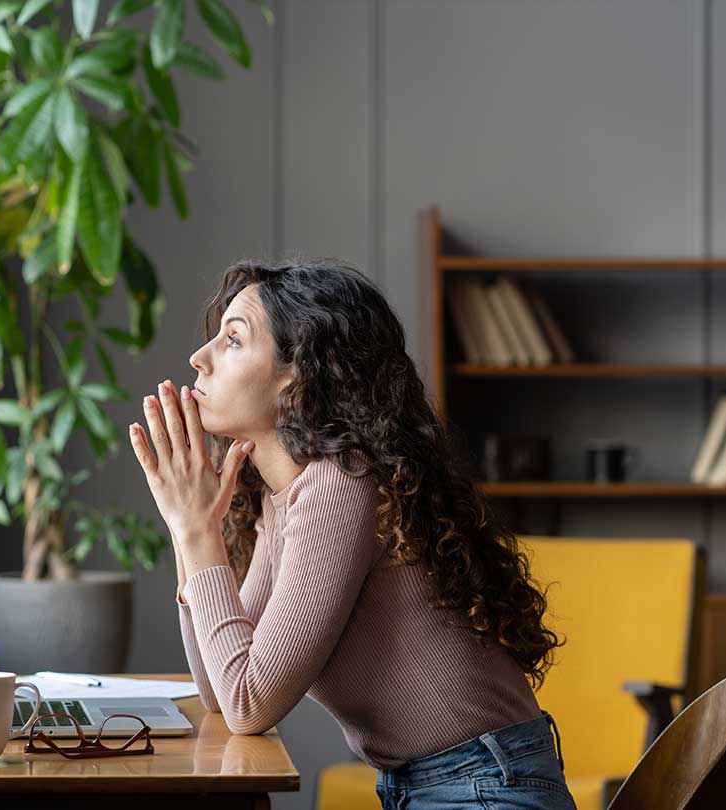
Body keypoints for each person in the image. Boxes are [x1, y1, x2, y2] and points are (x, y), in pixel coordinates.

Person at [127, 258, 576, 809]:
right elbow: (222, 692)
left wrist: (197, 531)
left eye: (234, 340)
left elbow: (248, 702)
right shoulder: (288, 499)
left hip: (484, 790)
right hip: (448, 785)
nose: (200, 357)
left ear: (297, 375)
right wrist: (187, 527)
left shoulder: (341, 485)